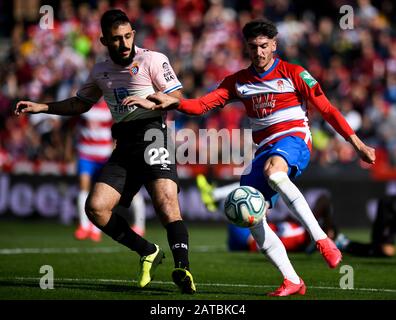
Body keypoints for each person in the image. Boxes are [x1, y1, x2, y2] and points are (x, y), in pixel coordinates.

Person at [129, 19, 376, 296]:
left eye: (263, 46)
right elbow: (202, 105)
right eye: (252, 47)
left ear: (274, 45)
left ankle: (322, 240)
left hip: (294, 140)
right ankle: (292, 280)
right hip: (265, 149)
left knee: (275, 172)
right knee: (252, 217)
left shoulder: (294, 73)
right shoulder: (239, 82)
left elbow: (328, 110)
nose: (258, 52)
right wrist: (174, 101)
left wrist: (357, 144)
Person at [15, 9, 195, 294]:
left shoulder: (153, 59)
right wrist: (43, 107)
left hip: (153, 135)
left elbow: (177, 98)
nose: (124, 44)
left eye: (127, 36)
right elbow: (80, 103)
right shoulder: (100, 71)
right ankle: (147, 250)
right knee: (95, 208)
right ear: (103, 41)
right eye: (116, 39)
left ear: (133, 34)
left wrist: (153, 103)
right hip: (124, 144)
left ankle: (183, 267)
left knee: (166, 201)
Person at [196, 174, 337, 253]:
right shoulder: (301, 234)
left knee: (255, 190)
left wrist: (328, 227)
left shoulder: (304, 238)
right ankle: (215, 201)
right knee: (253, 198)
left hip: (248, 238)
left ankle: (214, 196)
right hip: (242, 243)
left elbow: (324, 201)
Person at [74, 99, 146, 241]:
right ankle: (85, 226)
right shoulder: (84, 104)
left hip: (105, 155)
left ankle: (138, 225)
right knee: (84, 187)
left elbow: (119, 128)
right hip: (86, 153)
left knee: (120, 190)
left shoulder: (111, 106)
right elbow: (75, 127)